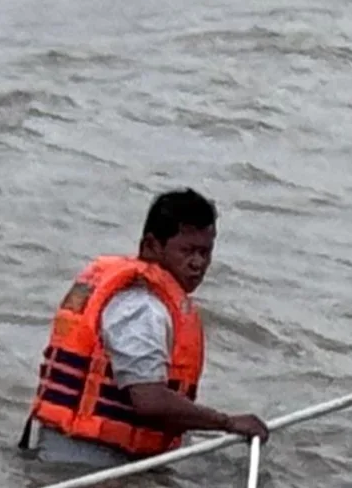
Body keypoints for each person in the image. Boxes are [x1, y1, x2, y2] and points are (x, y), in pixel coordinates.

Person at [22, 187, 268, 462]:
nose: (198, 263)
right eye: (187, 251)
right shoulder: (141, 307)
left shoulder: (154, 301)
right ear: (151, 246)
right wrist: (227, 423)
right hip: (84, 463)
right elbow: (149, 401)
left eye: (205, 252)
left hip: (92, 454)